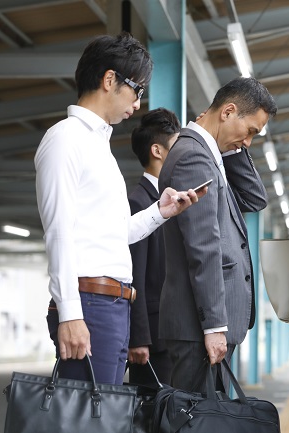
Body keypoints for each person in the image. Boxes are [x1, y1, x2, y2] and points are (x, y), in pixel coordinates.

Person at [35, 32, 204, 386]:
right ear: (109, 79)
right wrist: (69, 313)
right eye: (137, 90)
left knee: (102, 419)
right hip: (90, 302)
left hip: (110, 304)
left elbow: (114, 233)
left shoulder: (98, 146)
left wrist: (162, 211)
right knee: (87, 419)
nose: (138, 103)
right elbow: (59, 230)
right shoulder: (65, 139)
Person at [158, 76, 277, 393]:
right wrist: (214, 326)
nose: (249, 141)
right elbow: (203, 246)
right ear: (228, 112)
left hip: (204, 327)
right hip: (199, 327)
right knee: (195, 422)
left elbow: (254, 198)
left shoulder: (208, 154)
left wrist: (231, 147)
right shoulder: (194, 157)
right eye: (250, 131)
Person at [127, 108, 181, 385]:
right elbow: (133, 275)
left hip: (170, 333)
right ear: (157, 151)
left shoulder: (166, 198)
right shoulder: (139, 202)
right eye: (176, 147)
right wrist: (138, 338)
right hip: (152, 341)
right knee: (151, 421)